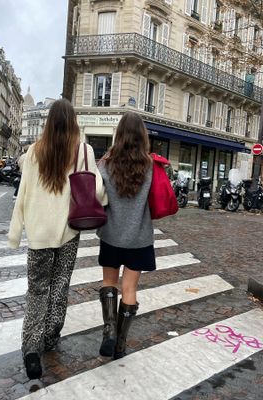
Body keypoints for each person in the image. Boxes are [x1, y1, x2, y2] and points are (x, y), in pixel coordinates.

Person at [7, 99, 107, 380]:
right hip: (67, 232)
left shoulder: (34, 152)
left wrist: (15, 234)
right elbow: (97, 192)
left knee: (37, 290)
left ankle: (30, 349)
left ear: (49, 123)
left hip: (38, 234)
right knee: (60, 286)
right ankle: (50, 336)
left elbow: (22, 195)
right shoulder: (84, 151)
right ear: (74, 122)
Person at [96, 112, 155, 359]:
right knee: (129, 288)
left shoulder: (105, 165)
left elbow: (98, 197)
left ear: (118, 135)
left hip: (111, 234)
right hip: (139, 238)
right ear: (142, 136)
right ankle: (120, 344)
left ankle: (109, 331)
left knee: (109, 283)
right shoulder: (151, 166)